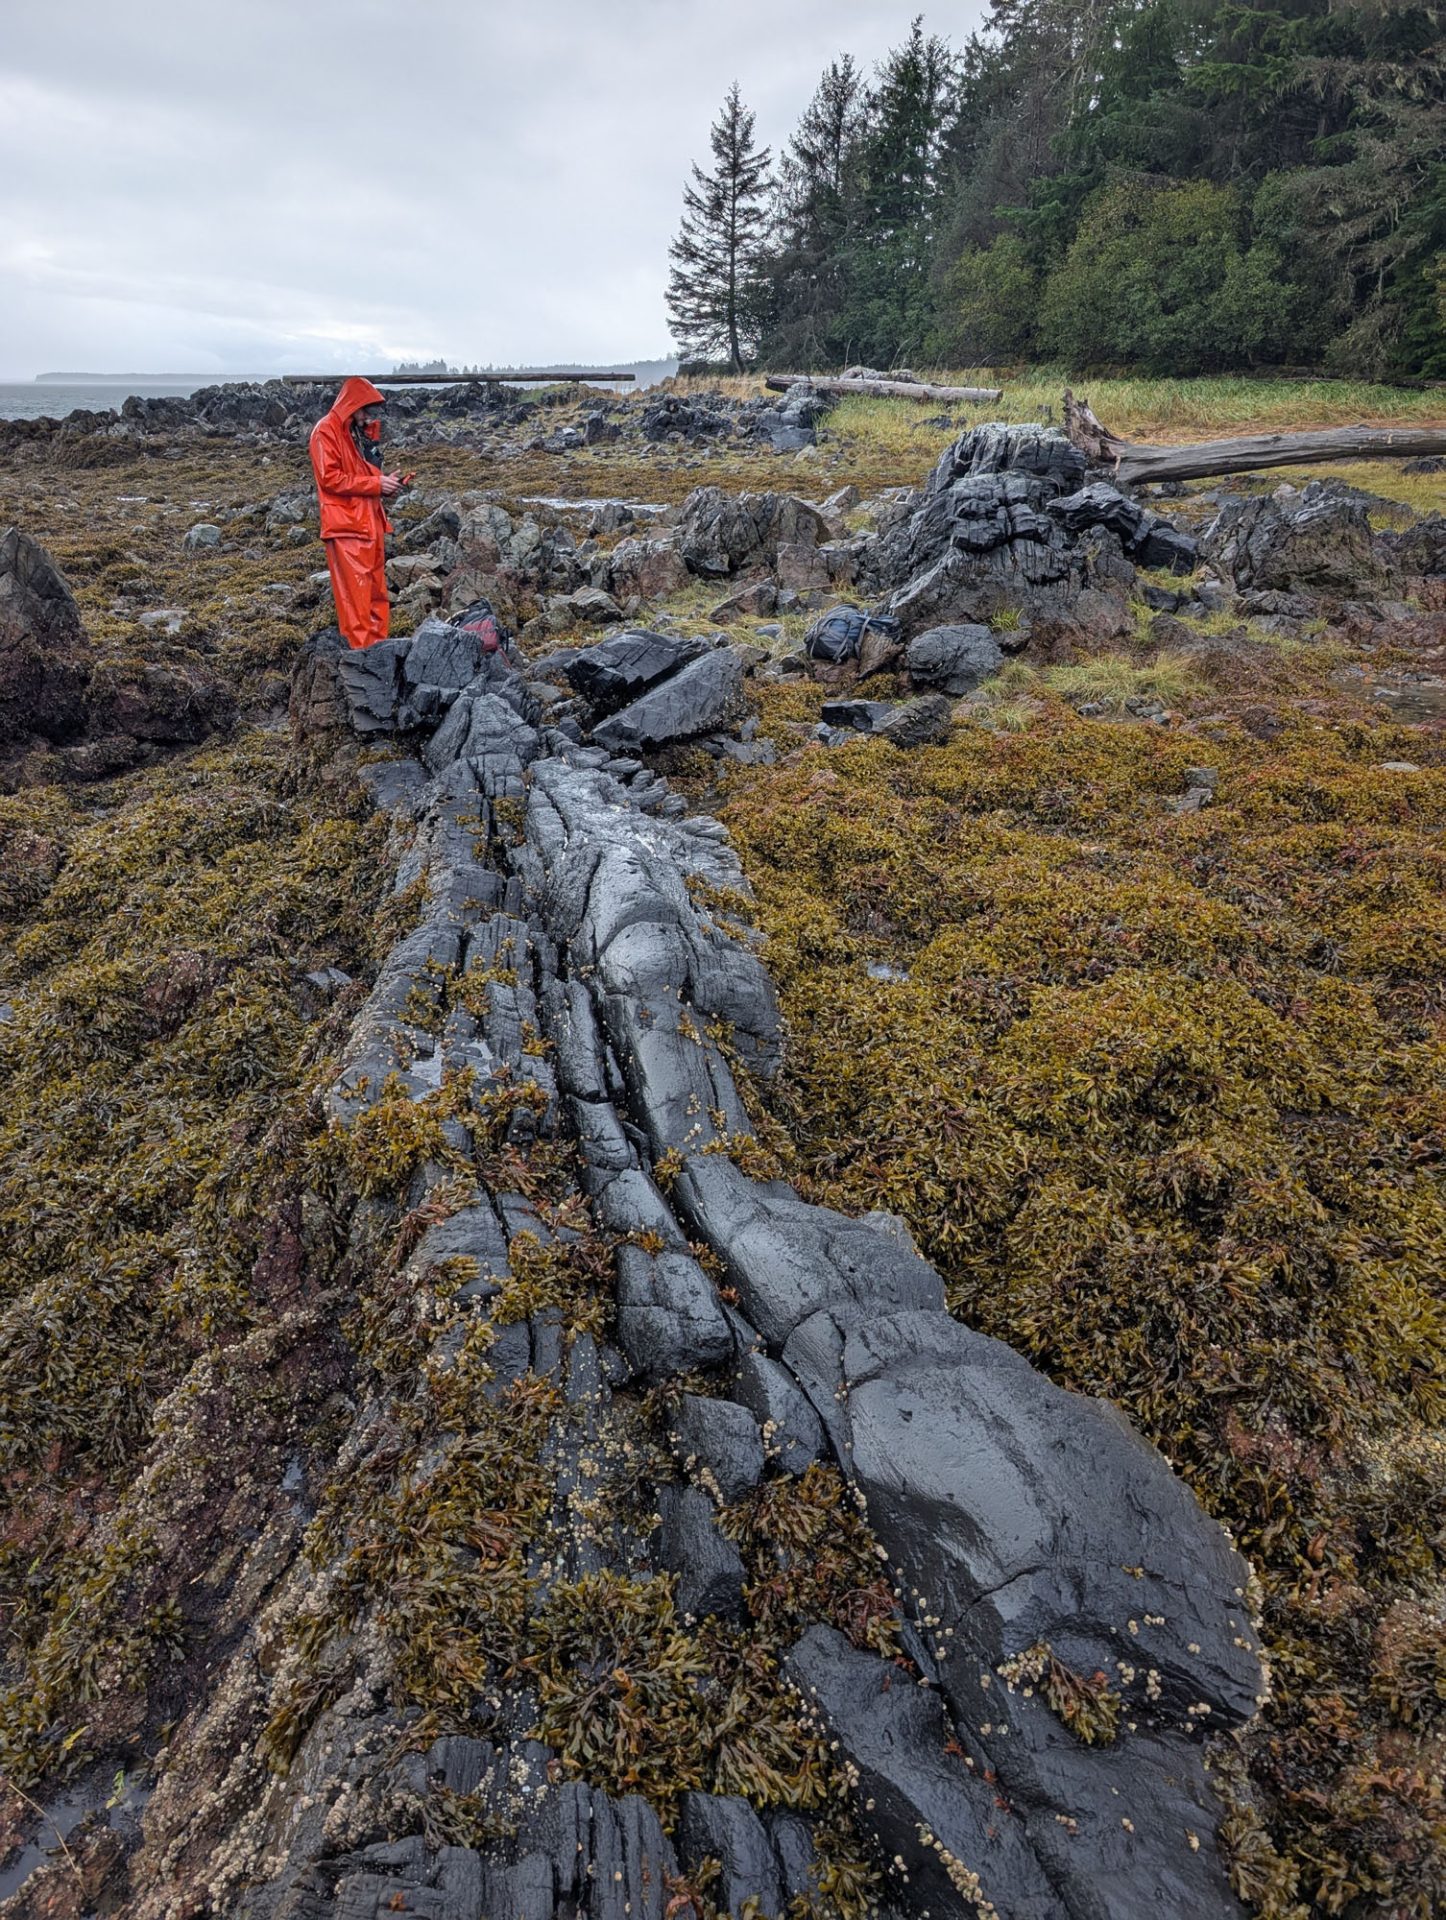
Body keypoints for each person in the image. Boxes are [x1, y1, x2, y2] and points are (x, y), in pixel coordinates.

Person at [308, 377, 402, 650]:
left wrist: (383, 482)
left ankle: (378, 652)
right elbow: (330, 478)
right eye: (364, 410)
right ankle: (361, 659)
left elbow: (357, 475)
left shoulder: (352, 433)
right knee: (356, 601)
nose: (366, 417)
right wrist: (376, 484)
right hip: (347, 526)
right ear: (352, 404)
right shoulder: (325, 431)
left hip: (367, 522)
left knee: (375, 595)